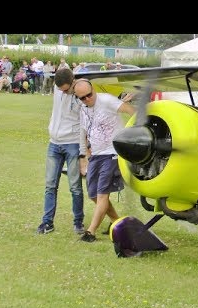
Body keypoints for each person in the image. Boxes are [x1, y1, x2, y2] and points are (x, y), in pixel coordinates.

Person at [74, 78, 135, 242]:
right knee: (93, 194)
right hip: (95, 155)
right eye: (82, 98)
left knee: (102, 194)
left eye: (89, 95)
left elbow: (132, 112)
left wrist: (131, 137)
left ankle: (90, 232)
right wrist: (84, 155)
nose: (87, 99)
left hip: (113, 153)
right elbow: (83, 132)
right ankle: (117, 222)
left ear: (93, 89)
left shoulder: (107, 100)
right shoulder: (83, 109)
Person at [37, 68, 85, 235]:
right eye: (60, 89)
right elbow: (67, 71)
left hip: (72, 144)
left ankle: (78, 222)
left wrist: (84, 151)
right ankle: (47, 222)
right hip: (54, 143)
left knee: (75, 187)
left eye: (66, 89)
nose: (63, 92)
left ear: (73, 82)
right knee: (50, 185)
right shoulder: (58, 89)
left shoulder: (81, 94)